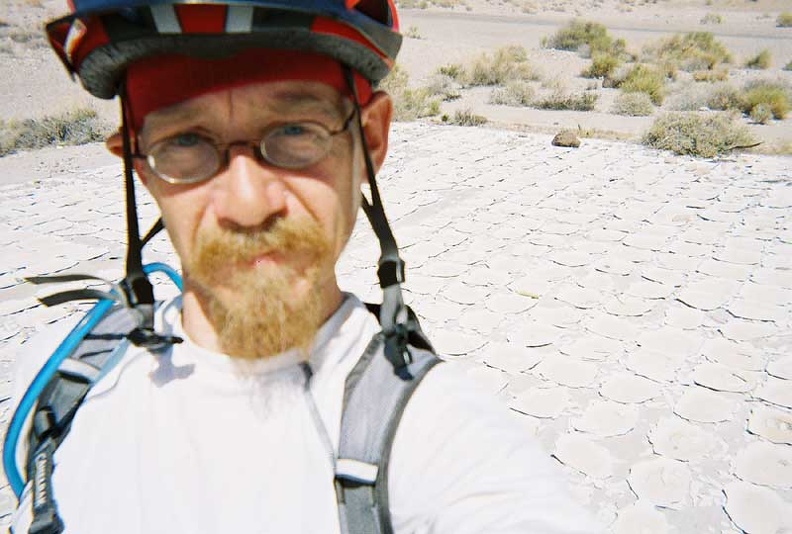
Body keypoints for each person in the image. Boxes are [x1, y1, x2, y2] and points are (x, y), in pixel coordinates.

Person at [7, 1, 601, 532]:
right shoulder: (59, 381)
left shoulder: (440, 440)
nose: (246, 205)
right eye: (185, 143)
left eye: (296, 131)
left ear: (370, 141)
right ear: (140, 166)